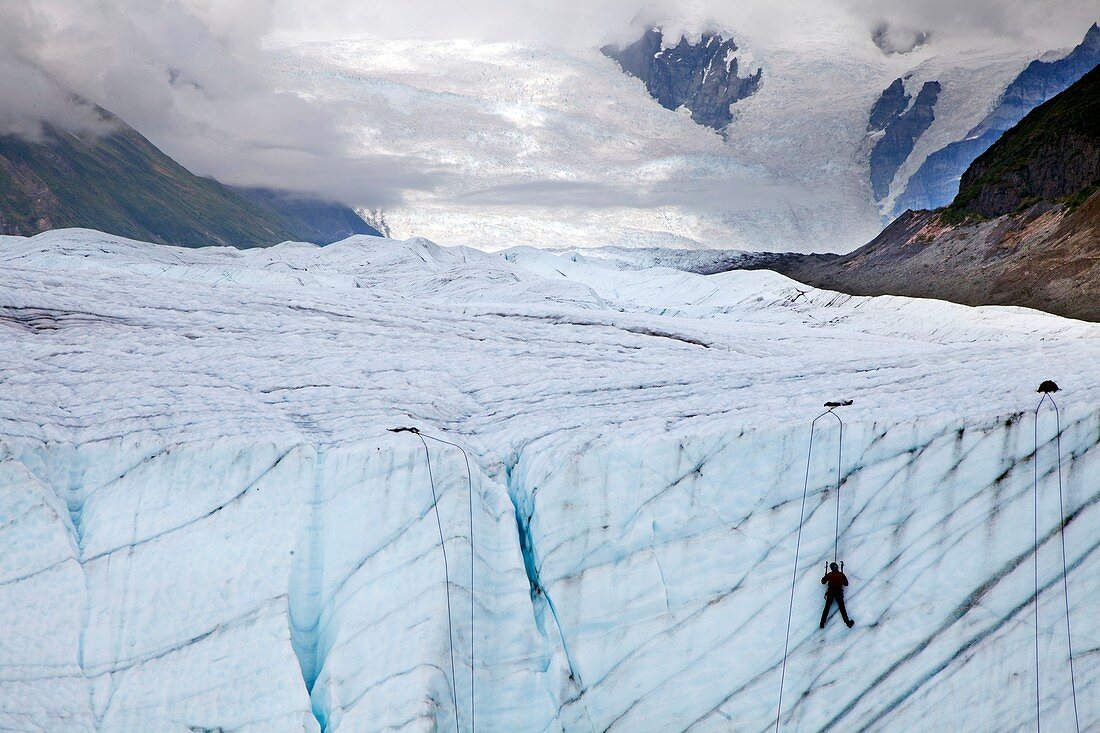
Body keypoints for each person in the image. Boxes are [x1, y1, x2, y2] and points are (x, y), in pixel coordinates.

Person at [820, 562, 854, 629]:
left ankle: (822, 624)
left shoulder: (830, 574)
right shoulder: (841, 574)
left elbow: (823, 582)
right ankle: (848, 623)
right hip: (838, 593)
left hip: (830, 593)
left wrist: (826, 575)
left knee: (826, 608)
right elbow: (846, 584)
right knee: (842, 609)